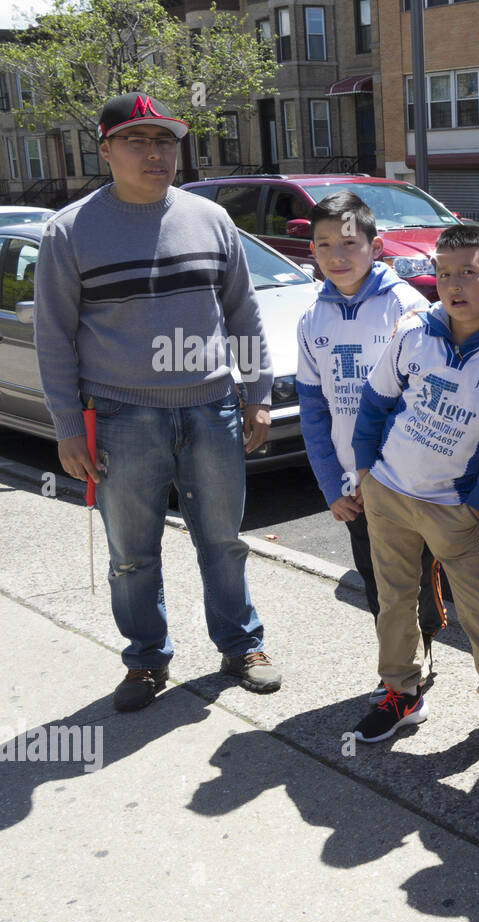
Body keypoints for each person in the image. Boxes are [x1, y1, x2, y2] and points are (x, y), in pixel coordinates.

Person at [36, 92, 280, 711]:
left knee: (223, 541)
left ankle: (242, 646)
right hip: (120, 416)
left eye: (165, 141)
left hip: (212, 408)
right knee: (132, 555)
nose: (155, 153)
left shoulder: (212, 220)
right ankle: (146, 659)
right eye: (138, 140)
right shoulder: (69, 231)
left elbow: (244, 314)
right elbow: (53, 336)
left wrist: (256, 395)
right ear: (106, 149)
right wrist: (67, 426)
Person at [351, 224, 479, 752]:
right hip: (388, 494)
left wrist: (474, 503)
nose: (453, 284)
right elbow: (374, 405)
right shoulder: (414, 333)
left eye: (469, 273)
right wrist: (366, 471)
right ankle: (401, 693)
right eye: (445, 272)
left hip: (454, 507)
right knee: (394, 600)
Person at [296, 192, 445, 712]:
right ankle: (400, 673)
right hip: (353, 487)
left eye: (348, 244)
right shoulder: (312, 318)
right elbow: (314, 410)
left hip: (405, 480)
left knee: (414, 579)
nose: (336, 256)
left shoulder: (406, 306)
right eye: (324, 245)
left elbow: (427, 395)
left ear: (376, 247)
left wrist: (392, 471)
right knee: (379, 584)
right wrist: (330, 485)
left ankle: (419, 660)